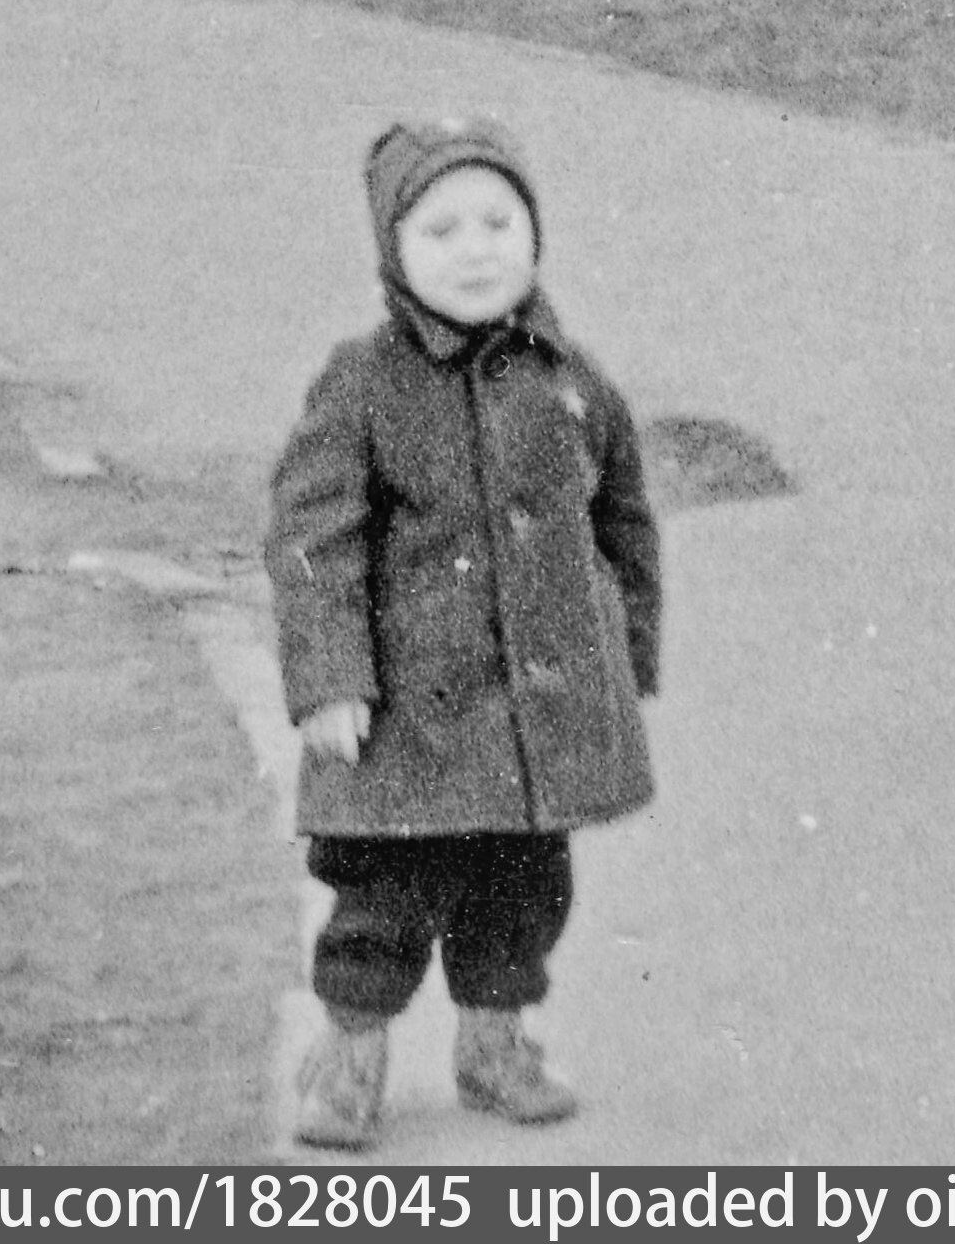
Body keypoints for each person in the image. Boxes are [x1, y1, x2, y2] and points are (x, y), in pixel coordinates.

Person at [269, 117, 662, 1149]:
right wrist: (328, 679)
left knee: (522, 894)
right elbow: (313, 537)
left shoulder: (574, 380)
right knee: (380, 901)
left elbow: (621, 522)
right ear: (392, 250)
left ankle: (495, 1045)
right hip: (406, 718)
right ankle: (347, 1058)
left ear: (535, 234)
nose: (476, 249)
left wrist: (623, 661)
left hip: (535, 717)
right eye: (440, 230)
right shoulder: (362, 381)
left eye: (498, 222)